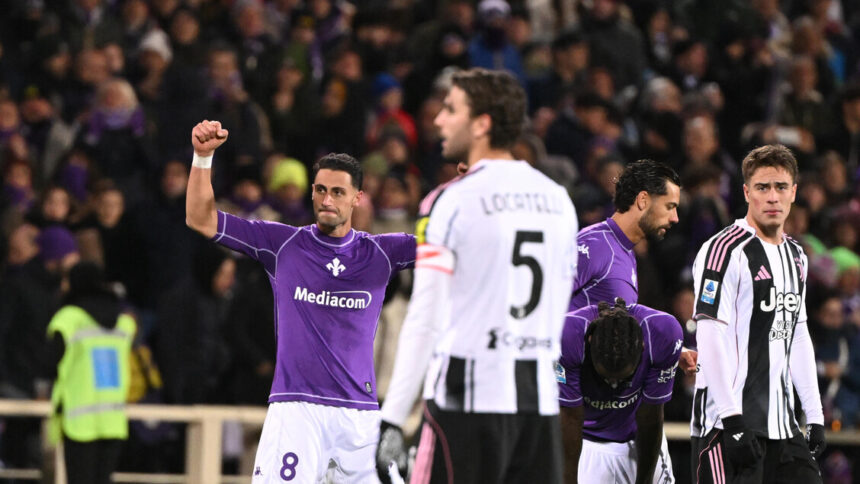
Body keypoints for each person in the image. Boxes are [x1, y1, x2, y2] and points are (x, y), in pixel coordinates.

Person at [376, 68, 579, 483]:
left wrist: (393, 417)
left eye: (451, 109)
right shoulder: (559, 201)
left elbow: (426, 316)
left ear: (482, 123)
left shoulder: (451, 200)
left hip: (466, 402)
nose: (439, 120)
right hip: (538, 406)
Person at [186, 121, 416, 483]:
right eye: (321, 190)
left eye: (338, 192)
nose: (327, 200)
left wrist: (462, 192)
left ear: (357, 198)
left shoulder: (382, 253)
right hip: (296, 410)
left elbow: (449, 240)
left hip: (360, 417)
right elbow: (200, 218)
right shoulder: (283, 244)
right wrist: (202, 157)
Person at [690, 144, 825, 483]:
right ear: (747, 192)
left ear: (794, 192)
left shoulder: (797, 256)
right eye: (763, 187)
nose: (772, 197)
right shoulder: (724, 250)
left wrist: (815, 415)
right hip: (727, 425)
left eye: (781, 187)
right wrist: (731, 418)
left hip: (784, 427)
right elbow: (709, 333)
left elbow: (797, 334)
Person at [568, 158, 684, 483]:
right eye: (670, 206)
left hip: (627, 423)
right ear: (643, 200)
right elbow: (548, 315)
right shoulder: (592, 246)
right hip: (593, 434)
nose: (675, 217)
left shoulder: (624, 251)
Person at [558, 299, 683, 484]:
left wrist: (644, 481)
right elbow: (570, 418)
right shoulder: (569, 336)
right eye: (606, 377)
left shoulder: (662, 333)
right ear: (590, 342)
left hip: (637, 440)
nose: (614, 385)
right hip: (586, 443)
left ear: (642, 347)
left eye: (623, 378)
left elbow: (650, 417)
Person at [47, 262, 136, 484]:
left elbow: (48, 361)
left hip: (78, 422)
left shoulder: (69, 319)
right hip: (113, 420)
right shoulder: (123, 322)